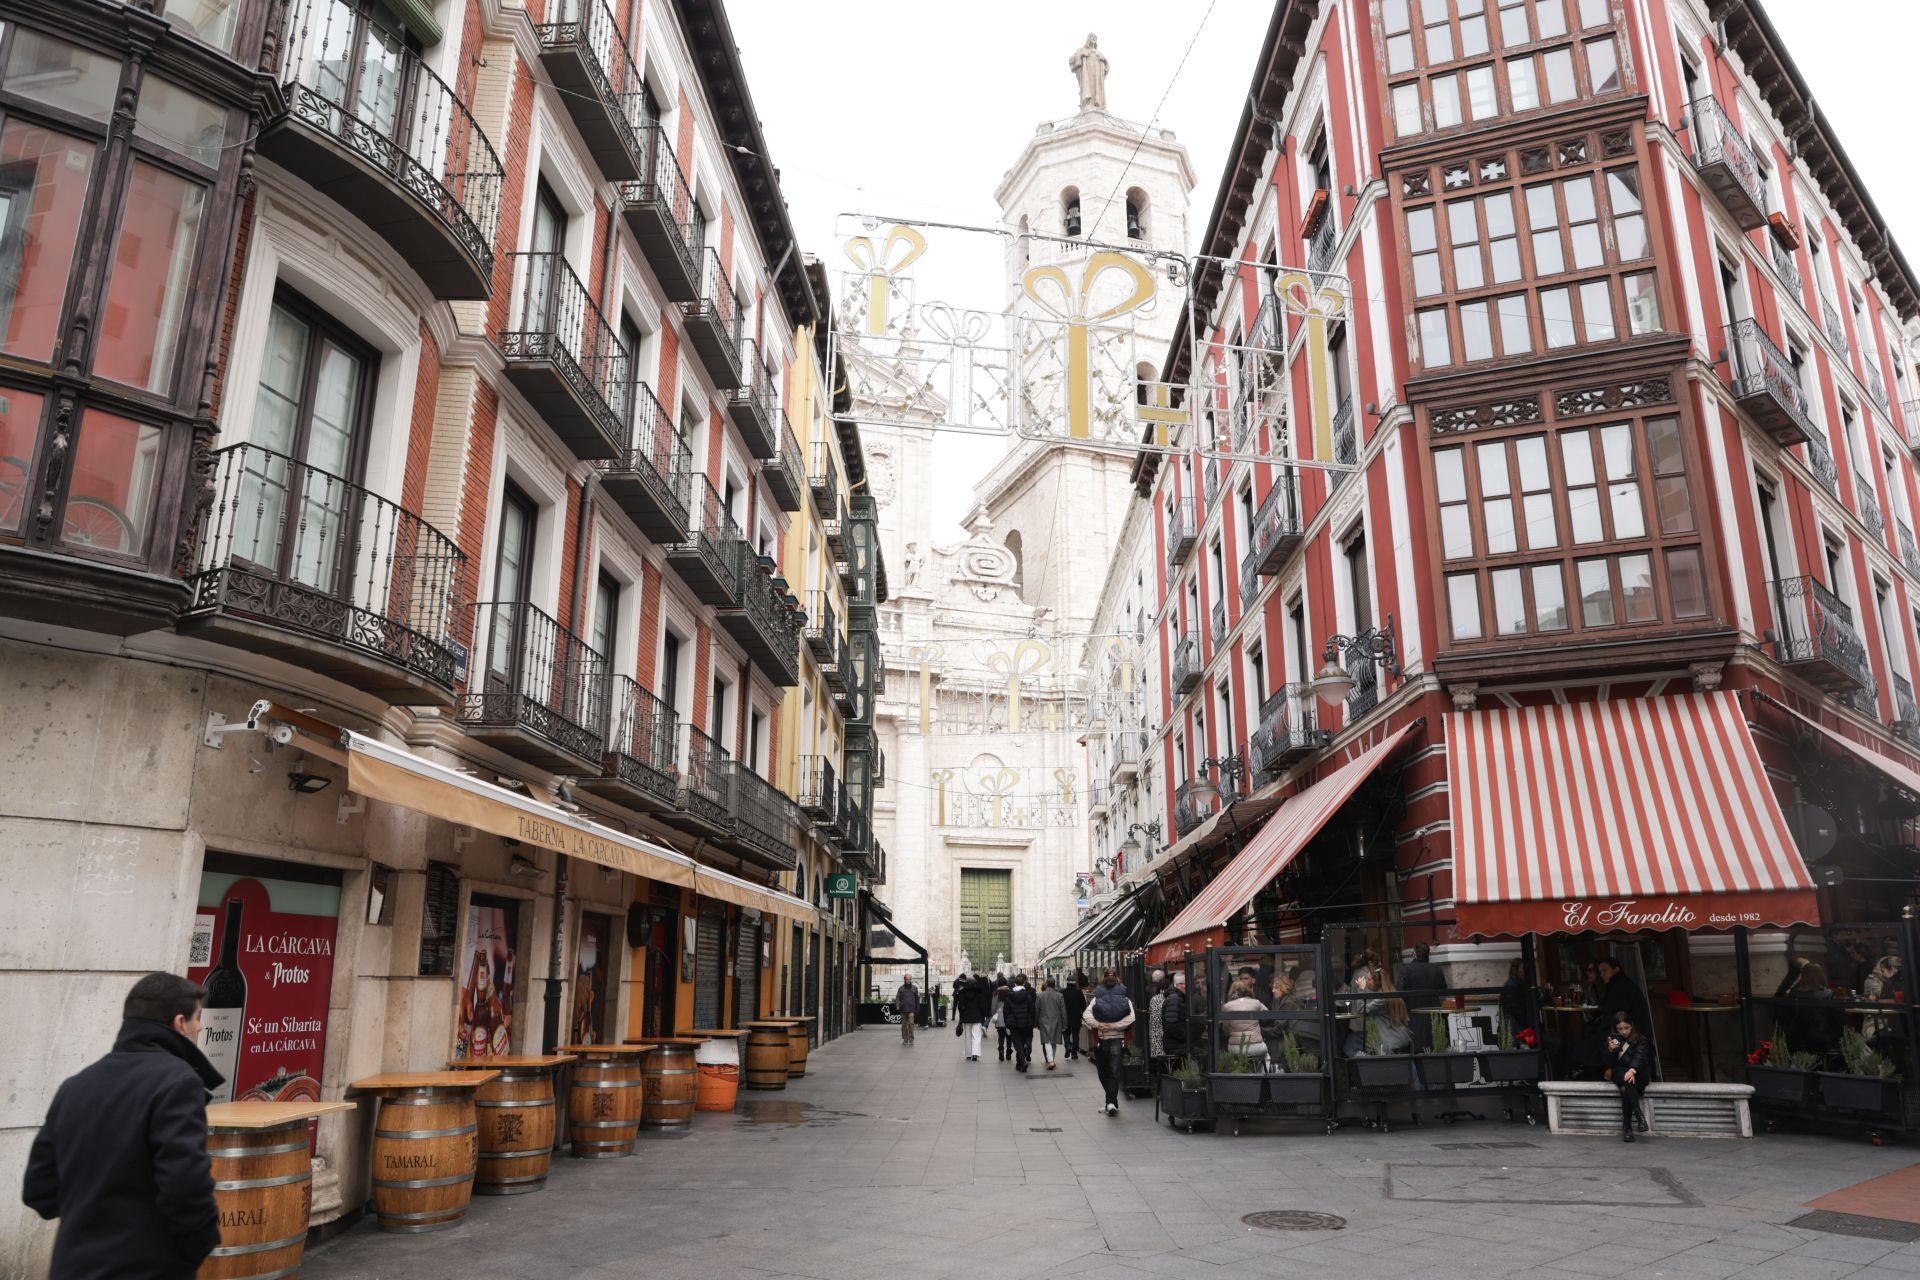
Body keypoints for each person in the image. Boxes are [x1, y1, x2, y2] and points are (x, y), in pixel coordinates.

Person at [24, 972, 224, 1279]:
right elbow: (185, 1187)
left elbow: (39, 1190)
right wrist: (194, 1250)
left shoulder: (76, 1085)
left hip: (71, 1266)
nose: (200, 1027)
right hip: (144, 1267)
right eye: (198, 1019)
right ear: (179, 1022)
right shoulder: (178, 1083)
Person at [1084, 968, 1136, 1116]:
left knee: (1109, 1071)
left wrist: (1101, 1025)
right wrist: (1102, 1024)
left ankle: (1111, 1103)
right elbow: (1131, 1018)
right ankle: (1111, 1102)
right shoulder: (1124, 998)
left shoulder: (1097, 997)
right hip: (1112, 1038)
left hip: (1106, 1039)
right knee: (1106, 1072)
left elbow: (1086, 1015)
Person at [1602, 1013, 1652, 1142]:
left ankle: (1627, 1128)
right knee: (1624, 1077)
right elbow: (1609, 1064)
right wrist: (1611, 1050)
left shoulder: (1641, 1039)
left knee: (1625, 1088)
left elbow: (1640, 1057)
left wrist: (1633, 1069)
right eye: (1620, 1028)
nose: (1623, 1031)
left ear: (1632, 1026)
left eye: (1626, 1028)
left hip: (1637, 1074)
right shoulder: (1612, 1040)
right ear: (1615, 1028)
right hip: (1619, 1073)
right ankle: (1639, 1116)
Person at [1399, 944, 1450, 1051]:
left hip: (1413, 1017)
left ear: (1414, 954)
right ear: (1428, 954)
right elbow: (1444, 992)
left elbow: (1399, 994)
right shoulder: (1437, 970)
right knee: (1436, 1050)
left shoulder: (1406, 970)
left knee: (1416, 1052)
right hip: (1434, 1016)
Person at [1221, 977, 1269, 1066]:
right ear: (1247, 990)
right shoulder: (1256, 1002)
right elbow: (1267, 1015)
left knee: (1236, 1060)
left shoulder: (1227, 1006)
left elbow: (1226, 1030)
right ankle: (1263, 1076)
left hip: (1235, 1048)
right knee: (1266, 1057)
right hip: (1256, 1046)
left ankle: (1238, 1075)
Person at [1003, 973, 1038, 1072]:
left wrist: (1007, 1022)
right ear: (1023, 983)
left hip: (1013, 1023)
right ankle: (1020, 1063)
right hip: (1025, 1022)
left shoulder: (1009, 995)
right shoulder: (1027, 995)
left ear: (1015, 983)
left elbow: (1006, 1011)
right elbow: (1032, 1009)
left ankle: (1021, 1061)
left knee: (1017, 1043)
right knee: (1022, 1042)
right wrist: (1033, 1021)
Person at [955, 973, 988, 1061]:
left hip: (966, 1017)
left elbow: (960, 1006)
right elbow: (983, 1007)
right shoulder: (979, 994)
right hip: (977, 1017)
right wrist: (982, 1015)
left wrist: (961, 1015)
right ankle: (975, 1054)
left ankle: (968, 1054)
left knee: (968, 1035)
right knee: (976, 1036)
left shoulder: (963, 994)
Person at [1037, 979, 1067, 1070]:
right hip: (1056, 1020)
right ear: (1054, 985)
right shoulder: (1060, 995)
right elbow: (1063, 1011)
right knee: (1053, 1041)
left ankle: (1051, 1060)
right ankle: (1051, 1060)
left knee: (1047, 1041)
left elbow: (1036, 1009)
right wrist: (1065, 1024)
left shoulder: (1040, 995)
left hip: (1044, 1020)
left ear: (1047, 984)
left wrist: (1036, 1022)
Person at [1162, 972, 1189, 1065]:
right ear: (1181, 985)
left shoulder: (1177, 997)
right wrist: (1186, 1037)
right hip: (1176, 1045)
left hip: (1175, 1044)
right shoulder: (1175, 999)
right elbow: (1171, 1025)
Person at [1499, 958, 1532, 1036]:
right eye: (1523, 968)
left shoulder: (1526, 984)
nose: (1526, 971)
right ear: (1516, 971)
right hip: (1516, 1027)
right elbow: (1517, 1010)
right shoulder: (1512, 985)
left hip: (1523, 1025)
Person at [1061, 972, 1088, 1061]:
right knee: (1076, 1035)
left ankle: (1068, 1045)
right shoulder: (1079, 992)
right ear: (1075, 982)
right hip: (1076, 1017)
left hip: (1065, 1017)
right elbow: (1084, 1006)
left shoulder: (1063, 992)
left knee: (1066, 1033)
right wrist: (1081, 1013)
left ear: (1067, 982)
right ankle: (1074, 1053)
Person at [1147, 970, 1168, 1068]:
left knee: (1158, 1058)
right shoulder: (1167, 997)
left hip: (1155, 1032)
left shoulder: (1154, 998)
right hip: (1165, 1033)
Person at [894, 975, 920, 1046]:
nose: (908, 980)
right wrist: (897, 1005)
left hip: (911, 1009)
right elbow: (897, 998)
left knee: (911, 1024)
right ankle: (905, 1039)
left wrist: (917, 1008)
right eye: (907, 979)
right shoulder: (901, 988)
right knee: (904, 1025)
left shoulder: (914, 988)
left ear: (911, 979)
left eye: (909, 979)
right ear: (904, 980)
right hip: (903, 1009)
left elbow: (917, 999)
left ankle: (911, 1039)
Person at [990, 974, 1011, 1062]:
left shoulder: (996, 994)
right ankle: (1009, 1052)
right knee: (1009, 1036)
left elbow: (993, 1007)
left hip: (1000, 1017)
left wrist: (993, 1015)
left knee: (1001, 1035)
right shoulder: (1011, 992)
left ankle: (1001, 1050)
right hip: (1010, 1017)